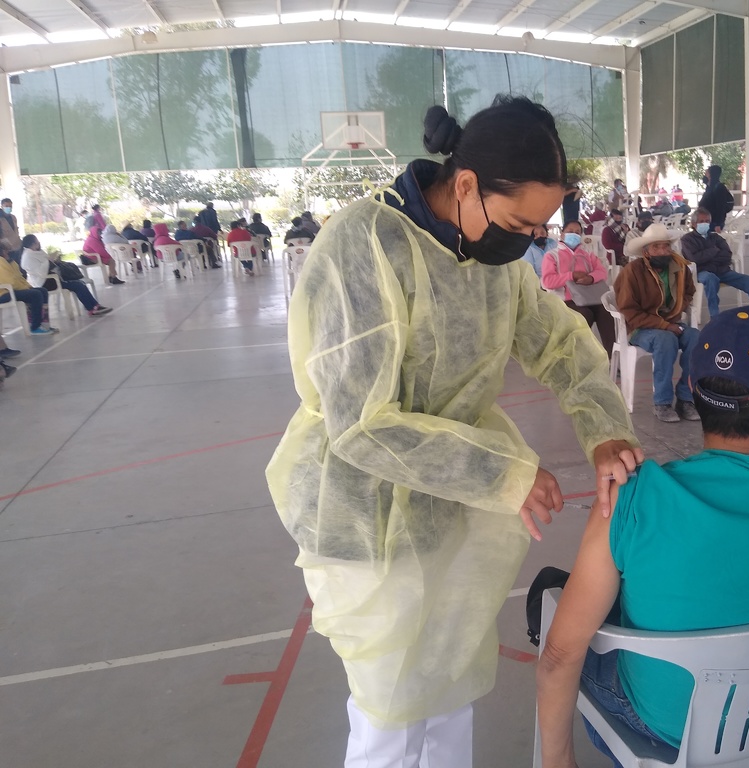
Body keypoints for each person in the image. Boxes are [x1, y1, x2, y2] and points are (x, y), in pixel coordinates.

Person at [265, 95, 643, 768]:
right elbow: (362, 426)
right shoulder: (364, 244)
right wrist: (503, 473)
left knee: (446, 691)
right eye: (519, 223)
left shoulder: (486, 257)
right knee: (388, 712)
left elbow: (557, 341)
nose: (526, 241)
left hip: (450, 509)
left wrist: (605, 429)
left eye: (540, 227)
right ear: (465, 184)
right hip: (364, 510)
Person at [535, 306, 749, 768]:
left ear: (695, 397)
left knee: (560, 609)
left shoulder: (634, 497)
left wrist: (558, 761)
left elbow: (560, 654)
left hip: (661, 724)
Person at [616, 222, 700, 423]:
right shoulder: (632, 271)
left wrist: (679, 307)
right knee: (665, 340)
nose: (663, 251)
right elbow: (629, 310)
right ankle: (662, 403)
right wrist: (665, 326)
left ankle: (686, 398)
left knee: (696, 338)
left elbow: (689, 291)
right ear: (646, 252)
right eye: (656, 247)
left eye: (666, 246)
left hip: (671, 323)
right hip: (640, 327)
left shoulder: (680, 268)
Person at [541, 220, 615, 357]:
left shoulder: (587, 255)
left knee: (606, 312)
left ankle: (611, 356)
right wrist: (571, 276)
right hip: (565, 300)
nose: (573, 235)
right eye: (570, 231)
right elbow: (547, 281)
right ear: (562, 234)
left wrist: (591, 278)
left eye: (577, 232)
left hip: (590, 297)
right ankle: (578, 356)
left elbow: (602, 272)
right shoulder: (552, 256)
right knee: (584, 314)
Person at [679, 207, 749, 317]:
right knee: (711, 279)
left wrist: (708, 259)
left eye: (707, 221)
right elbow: (694, 259)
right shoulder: (687, 240)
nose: (705, 224)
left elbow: (727, 255)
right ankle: (715, 316)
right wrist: (714, 250)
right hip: (701, 272)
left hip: (722, 271)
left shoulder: (715, 237)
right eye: (701, 221)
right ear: (694, 224)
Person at [20, 235, 111, 317]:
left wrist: (54, 260)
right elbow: (41, 272)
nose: (39, 244)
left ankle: (94, 306)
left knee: (79, 283)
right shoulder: (28, 257)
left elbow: (46, 264)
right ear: (33, 244)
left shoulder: (36, 253)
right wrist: (48, 260)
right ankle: (92, 308)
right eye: (37, 242)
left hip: (53, 278)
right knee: (78, 285)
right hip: (46, 282)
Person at [0, 242, 58, 334]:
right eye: (6, 250)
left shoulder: (10, 262)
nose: (9, 251)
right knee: (35, 294)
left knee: (42, 290)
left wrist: (28, 286)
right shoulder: (1, 262)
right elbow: (10, 282)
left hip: (13, 289)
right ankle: (35, 327)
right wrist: (25, 288)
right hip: (4, 293)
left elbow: (19, 277)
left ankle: (44, 323)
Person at [697, 165, 733, 232]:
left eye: (707, 172)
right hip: (706, 220)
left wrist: (718, 224)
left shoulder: (719, 187)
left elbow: (721, 206)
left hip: (714, 222)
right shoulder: (710, 187)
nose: (705, 174)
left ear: (711, 174)